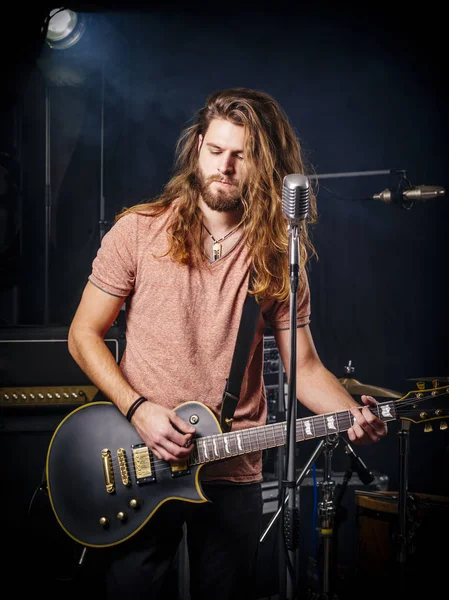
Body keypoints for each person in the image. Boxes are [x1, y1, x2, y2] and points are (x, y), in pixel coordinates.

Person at [67, 87, 388, 600]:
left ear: (265, 165)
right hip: (140, 460)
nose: (225, 166)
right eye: (215, 151)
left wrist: (353, 415)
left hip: (233, 469)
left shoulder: (278, 258)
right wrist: (139, 409)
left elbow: (303, 366)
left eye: (241, 156)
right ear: (197, 148)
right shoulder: (138, 232)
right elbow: (83, 336)